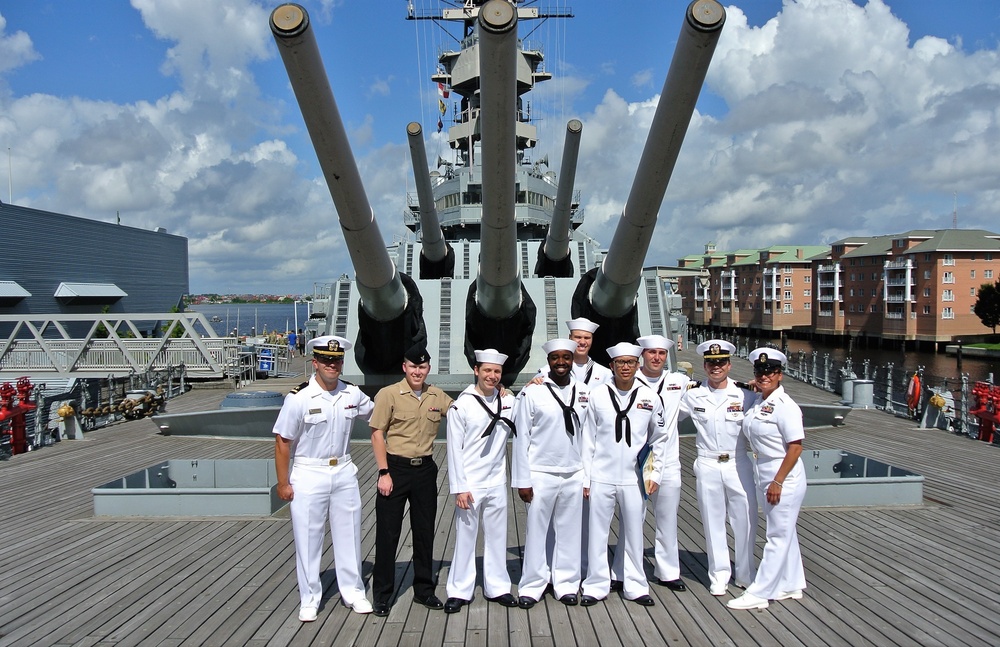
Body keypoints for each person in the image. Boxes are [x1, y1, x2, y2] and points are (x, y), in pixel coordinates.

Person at [273, 335, 374, 621]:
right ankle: (310, 597)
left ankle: (353, 591)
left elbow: (379, 415)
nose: (333, 365)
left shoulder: (352, 394)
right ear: (315, 363)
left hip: (343, 470)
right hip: (308, 472)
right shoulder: (299, 398)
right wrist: (283, 483)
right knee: (308, 538)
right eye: (327, 360)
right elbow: (282, 441)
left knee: (350, 534)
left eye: (337, 360)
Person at [370, 345, 454, 617]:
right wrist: (383, 473)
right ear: (404, 367)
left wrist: (502, 392)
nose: (418, 371)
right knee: (388, 533)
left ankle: (424, 590)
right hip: (395, 469)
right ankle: (382, 595)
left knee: (424, 531)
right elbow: (377, 434)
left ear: (428, 368)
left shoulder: (436, 395)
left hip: (424, 470)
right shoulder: (389, 394)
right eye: (413, 366)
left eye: (422, 367)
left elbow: (464, 411)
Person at [580, 342, 665, 607]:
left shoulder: (649, 397)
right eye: (620, 363)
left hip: (634, 478)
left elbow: (659, 439)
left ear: (637, 366)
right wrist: (586, 478)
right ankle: (595, 584)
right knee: (597, 533)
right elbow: (587, 440)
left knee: (634, 533)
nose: (625, 367)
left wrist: (655, 474)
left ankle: (636, 585)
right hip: (601, 475)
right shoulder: (597, 395)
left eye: (630, 363)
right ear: (612, 366)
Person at [511, 339, 590, 608]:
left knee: (569, 531)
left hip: (573, 472)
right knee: (536, 531)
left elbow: (589, 438)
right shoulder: (533, 393)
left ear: (572, 360)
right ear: (548, 361)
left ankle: (566, 583)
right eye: (555, 358)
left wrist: (586, 476)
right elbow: (522, 439)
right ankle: (532, 584)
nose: (561, 362)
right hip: (540, 472)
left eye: (565, 357)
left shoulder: (585, 392)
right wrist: (522, 480)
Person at [728, 348, 807, 610]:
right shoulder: (762, 400)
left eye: (770, 372)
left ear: (780, 375)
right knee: (785, 530)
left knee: (777, 536)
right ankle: (791, 583)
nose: (764, 376)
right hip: (764, 469)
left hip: (781, 474)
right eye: (760, 372)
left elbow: (795, 447)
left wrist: (778, 481)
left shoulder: (786, 407)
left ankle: (760, 592)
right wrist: (755, 387)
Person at [443, 349, 518, 613]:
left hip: (497, 479)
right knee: (465, 537)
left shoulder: (508, 401)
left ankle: (497, 586)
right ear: (476, 371)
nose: (492, 376)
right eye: (487, 370)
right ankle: (459, 590)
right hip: (470, 482)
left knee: (498, 536)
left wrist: (537, 381)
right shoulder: (461, 405)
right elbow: (454, 450)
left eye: (497, 372)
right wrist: (459, 488)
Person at [681, 340, 757, 596]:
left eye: (721, 363)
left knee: (744, 519)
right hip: (707, 462)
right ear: (704, 365)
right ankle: (719, 575)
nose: (716, 367)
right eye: (711, 363)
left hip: (738, 462)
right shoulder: (692, 393)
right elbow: (666, 414)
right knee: (713, 522)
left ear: (729, 364)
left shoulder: (746, 394)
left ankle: (746, 574)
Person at [634, 334, 692, 592]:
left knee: (667, 519)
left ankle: (668, 571)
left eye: (661, 353)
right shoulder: (627, 380)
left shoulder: (678, 381)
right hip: (635, 462)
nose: (656, 358)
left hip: (667, 462)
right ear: (642, 355)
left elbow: (712, 387)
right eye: (651, 353)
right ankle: (629, 570)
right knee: (634, 518)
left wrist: (748, 386)